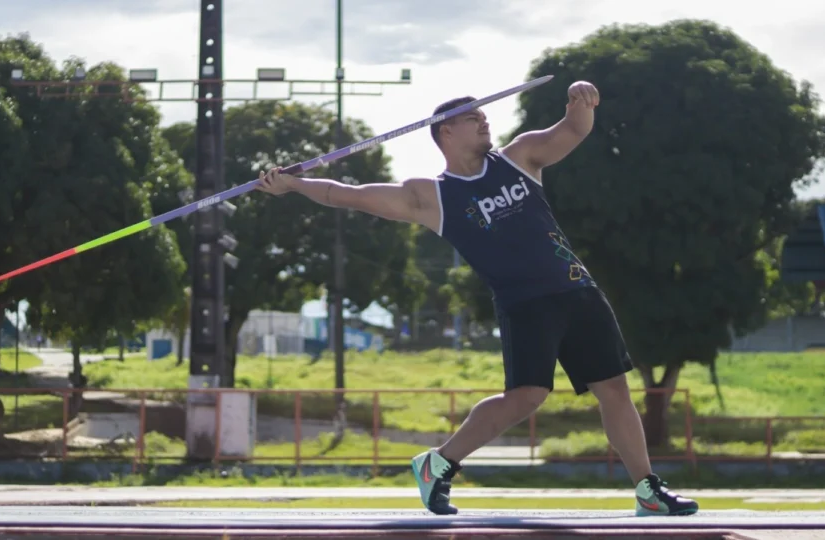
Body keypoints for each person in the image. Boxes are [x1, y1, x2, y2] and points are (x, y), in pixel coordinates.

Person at [255, 80, 699, 518]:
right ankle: (439, 462)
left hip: (578, 289)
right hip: (525, 303)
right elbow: (346, 195)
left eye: (486, 116)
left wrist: (582, 97)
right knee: (527, 397)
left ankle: (647, 489)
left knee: (615, 390)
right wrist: (294, 185)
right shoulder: (430, 196)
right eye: (474, 118)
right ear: (446, 132)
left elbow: (573, 129)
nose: (485, 122)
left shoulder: (520, 157)